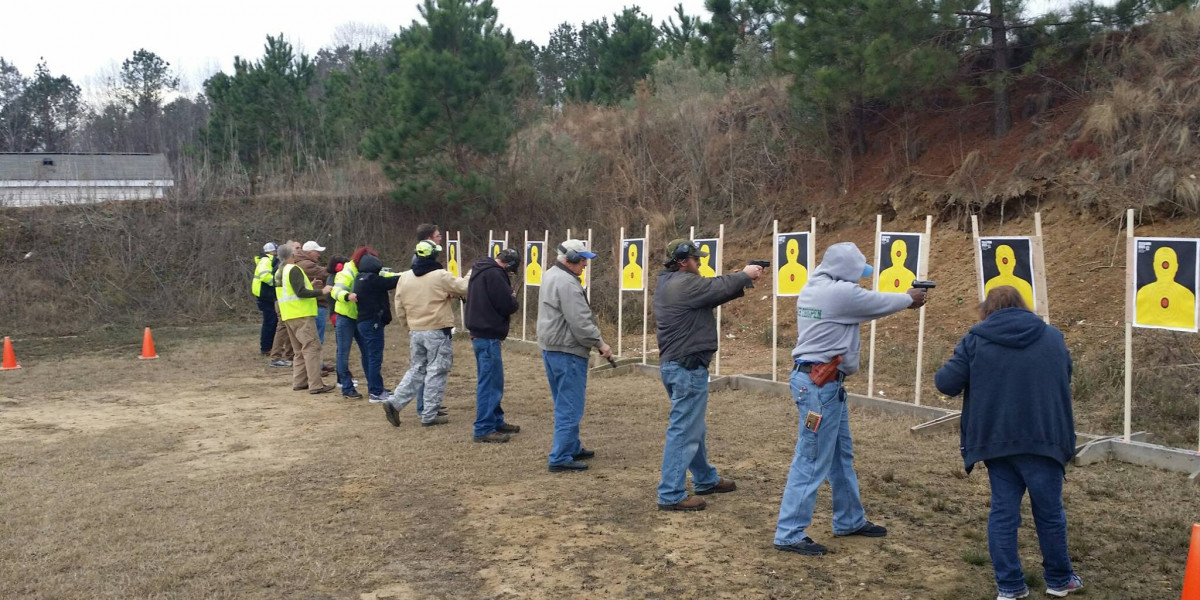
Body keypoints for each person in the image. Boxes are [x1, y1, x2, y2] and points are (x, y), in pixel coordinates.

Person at [773, 242, 926, 557]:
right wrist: (910, 298)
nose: (860, 279)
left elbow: (863, 304)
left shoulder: (816, 287)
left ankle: (849, 519)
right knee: (812, 458)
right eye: (858, 273)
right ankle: (788, 533)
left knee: (841, 457)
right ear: (845, 270)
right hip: (820, 387)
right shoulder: (839, 293)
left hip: (824, 385)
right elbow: (876, 302)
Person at [935, 286, 1082, 599]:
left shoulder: (974, 340)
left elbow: (946, 384)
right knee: (1050, 514)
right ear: (1022, 306)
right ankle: (1059, 579)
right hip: (1045, 438)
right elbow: (1065, 372)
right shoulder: (1053, 336)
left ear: (986, 310)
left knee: (1003, 515)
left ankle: (1010, 586)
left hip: (997, 442)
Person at [653, 239, 763, 511]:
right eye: (695, 259)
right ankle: (670, 494)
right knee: (684, 431)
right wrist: (744, 275)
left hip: (678, 367)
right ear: (682, 261)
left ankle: (704, 478)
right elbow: (715, 286)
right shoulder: (684, 283)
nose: (699, 263)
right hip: (686, 369)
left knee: (693, 428)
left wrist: (743, 281)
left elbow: (714, 292)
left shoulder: (670, 283)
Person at [537, 239, 612, 472]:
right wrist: (600, 343)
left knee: (564, 401)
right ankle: (560, 457)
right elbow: (580, 322)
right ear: (569, 259)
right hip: (567, 350)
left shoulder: (551, 274)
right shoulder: (567, 283)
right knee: (570, 405)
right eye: (581, 260)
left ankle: (571, 445)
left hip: (552, 348)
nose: (585, 265)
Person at [383, 240, 469, 427]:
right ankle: (429, 414)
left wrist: (409, 326)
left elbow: (399, 306)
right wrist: (473, 273)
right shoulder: (440, 275)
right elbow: (464, 287)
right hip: (437, 331)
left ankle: (395, 402)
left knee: (416, 369)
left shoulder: (404, 277)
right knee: (437, 371)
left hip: (416, 331)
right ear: (434, 256)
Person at [465, 247, 522, 443]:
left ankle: (496, 420)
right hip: (488, 335)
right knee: (489, 383)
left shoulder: (480, 270)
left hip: (481, 333)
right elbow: (506, 304)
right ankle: (483, 428)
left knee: (492, 381)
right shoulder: (495, 274)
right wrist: (513, 299)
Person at [277, 243, 335, 395]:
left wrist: (310, 285)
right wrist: (321, 291)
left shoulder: (280, 270)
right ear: (292, 255)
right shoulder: (294, 269)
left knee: (298, 350)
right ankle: (316, 384)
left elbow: (291, 290)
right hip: (301, 314)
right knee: (311, 347)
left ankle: (300, 381)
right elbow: (300, 293)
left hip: (289, 314)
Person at [353, 253, 401, 404]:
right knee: (374, 358)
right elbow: (391, 281)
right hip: (372, 323)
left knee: (368, 357)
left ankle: (376, 388)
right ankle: (375, 391)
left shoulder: (359, 278)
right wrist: (408, 275)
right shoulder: (371, 279)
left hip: (363, 322)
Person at [330, 246, 373, 399]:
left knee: (367, 352)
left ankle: (374, 385)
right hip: (345, 317)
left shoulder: (368, 269)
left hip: (359, 318)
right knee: (343, 353)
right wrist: (347, 296)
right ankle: (346, 388)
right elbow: (336, 291)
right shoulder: (346, 273)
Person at [267, 240, 297, 367]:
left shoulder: (283, 266)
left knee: (288, 327)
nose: (298, 251)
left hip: (283, 301)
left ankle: (290, 355)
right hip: (282, 302)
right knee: (282, 328)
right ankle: (276, 357)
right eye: (296, 248)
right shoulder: (281, 267)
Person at [297, 240, 330, 346]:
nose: (319, 254)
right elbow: (325, 273)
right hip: (316, 303)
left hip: (308, 304)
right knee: (316, 338)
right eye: (317, 251)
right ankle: (316, 362)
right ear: (310, 252)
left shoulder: (300, 262)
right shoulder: (307, 265)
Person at [252, 242, 278, 356]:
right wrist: (278, 283)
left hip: (265, 295)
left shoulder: (265, 260)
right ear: (273, 251)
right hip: (265, 296)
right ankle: (266, 348)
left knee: (271, 321)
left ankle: (269, 346)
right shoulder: (266, 260)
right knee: (270, 321)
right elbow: (265, 276)